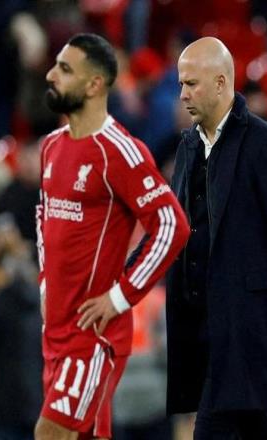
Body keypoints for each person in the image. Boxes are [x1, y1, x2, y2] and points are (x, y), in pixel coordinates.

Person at [34, 33, 190, 440]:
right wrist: (46, 283)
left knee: (50, 434)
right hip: (56, 331)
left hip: (93, 335)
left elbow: (172, 225)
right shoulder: (51, 146)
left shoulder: (119, 150)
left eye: (64, 69)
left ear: (94, 85)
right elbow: (43, 216)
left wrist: (121, 297)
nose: (50, 75)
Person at [165, 37, 267, 439]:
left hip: (246, 321)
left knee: (214, 427)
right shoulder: (188, 146)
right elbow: (175, 226)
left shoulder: (264, 143)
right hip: (200, 324)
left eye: (191, 84)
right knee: (252, 425)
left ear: (220, 83)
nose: (182, 95)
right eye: (180, 84)